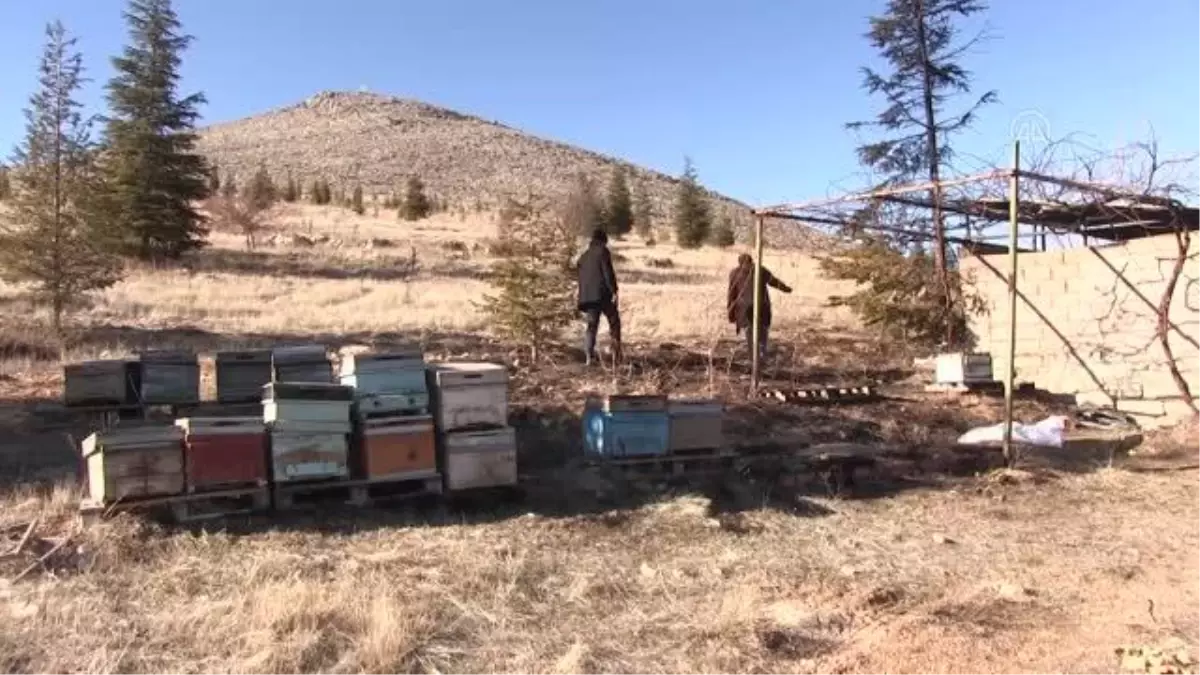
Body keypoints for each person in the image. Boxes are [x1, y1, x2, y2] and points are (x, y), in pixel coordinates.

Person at [727, 252, 792, 362]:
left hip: (758, 308)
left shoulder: (758, 271)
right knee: (753, 334)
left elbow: (773, 281)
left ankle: (759, 358)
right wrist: (731, 312)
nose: (747, 267)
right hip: (748, 309)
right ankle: (756, 359)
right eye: (746, 264)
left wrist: (785, 288)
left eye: (748, 264)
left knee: (760, 333)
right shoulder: (738, 273)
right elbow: (732, 293)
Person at [576, 228, 622, 365]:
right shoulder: (602, 252)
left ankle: (589, 356)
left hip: (588, 298)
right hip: (602, 295)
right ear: (603, 240)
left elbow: (581, 277)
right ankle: (616, 354)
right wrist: (614, 290)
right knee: (614, 322)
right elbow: (608, 273)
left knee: (592, 326)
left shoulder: (583, 256)